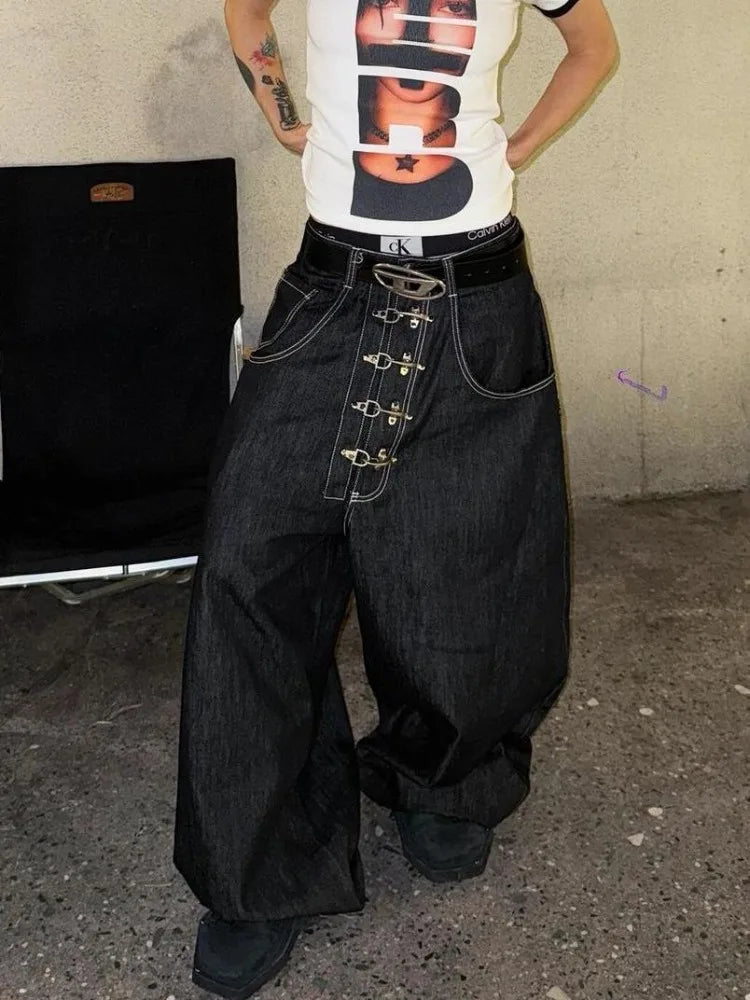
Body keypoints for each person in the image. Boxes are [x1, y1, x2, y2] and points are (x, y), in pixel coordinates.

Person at [173, 0, 617, 997]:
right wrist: (283, 111)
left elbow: (593, 46)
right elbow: (245, 9)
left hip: (480, 301)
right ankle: (260, 866)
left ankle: (442, 782)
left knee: (464, 564)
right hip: (332, 288)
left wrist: (519, 147)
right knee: (252, 563)